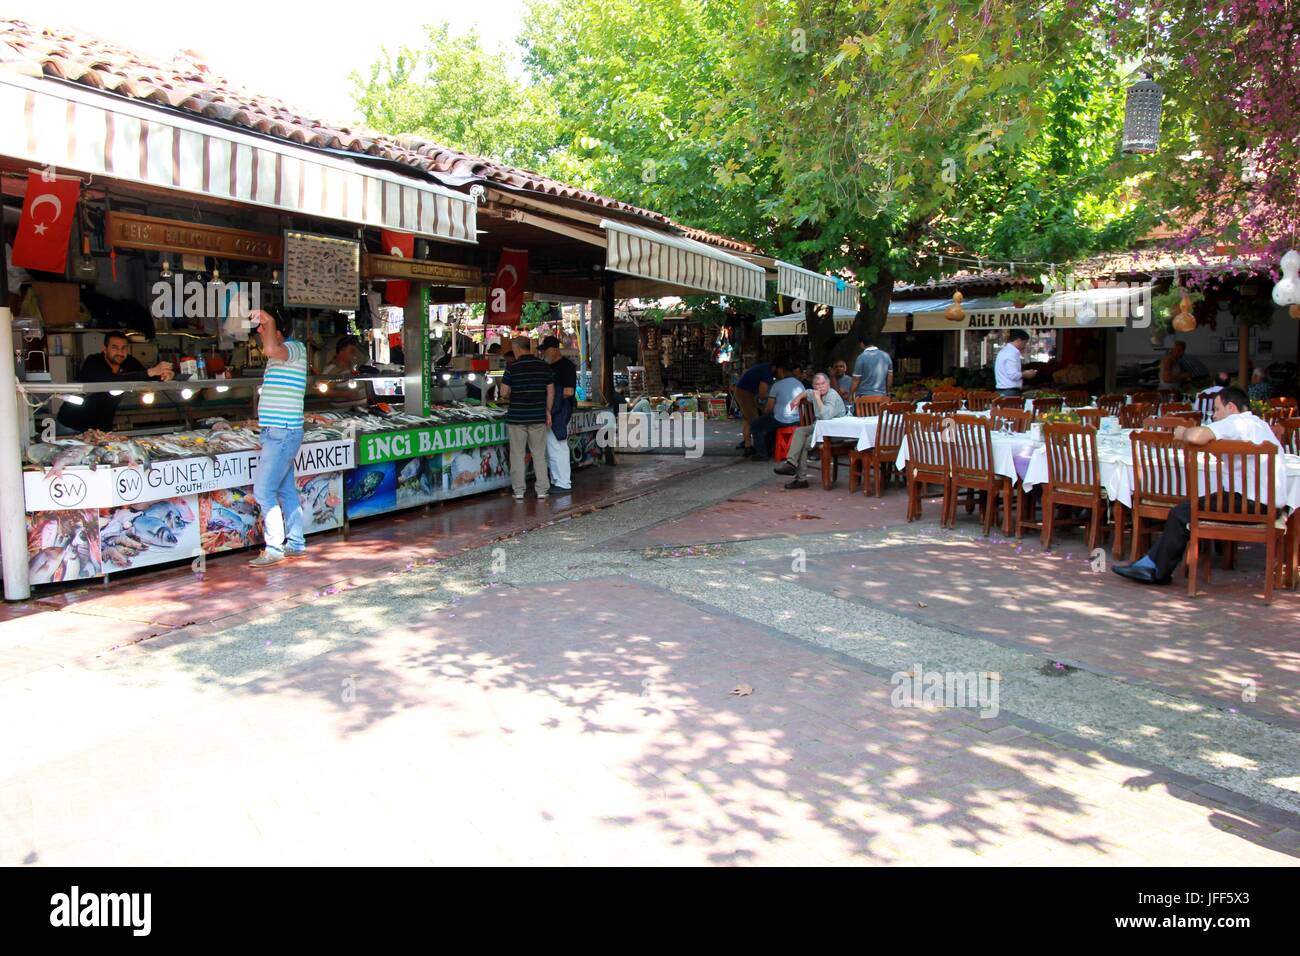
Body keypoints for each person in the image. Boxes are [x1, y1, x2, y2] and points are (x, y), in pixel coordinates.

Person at [1113, 387, 1285, 586]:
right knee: (1197, 505)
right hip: (1270, 506)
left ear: (1231, 407)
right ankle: (1152, 563)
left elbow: (1197, 436)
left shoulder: (1237, 421)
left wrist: (1183, 432)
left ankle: (1155, 569)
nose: (1213, 414)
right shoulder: (1259, 425)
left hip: (1250, 504)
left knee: (1180, 513)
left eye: (1217, 409)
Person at [248, 307, 308, 568]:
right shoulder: (280, 355)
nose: (259, 332)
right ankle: (295, 543)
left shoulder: (294, 348)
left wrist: (268, 318)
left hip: (282, 433)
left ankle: (274, 547)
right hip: (278, 431)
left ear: (278, 329)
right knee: (285, 489)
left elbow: (271, 348)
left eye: (264, 327)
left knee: (263, 491)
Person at [55, 330, 174, 433]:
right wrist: (151, 371)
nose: (120, 352)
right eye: (114, 347)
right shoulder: (93, 362)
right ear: (104, 349)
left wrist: (166, 374)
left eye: (123, 348)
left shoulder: (129, 362)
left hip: (102, 428)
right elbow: (110, 381)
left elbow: (147, 377)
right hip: (71, 425)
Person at [500, 335, 554, 500]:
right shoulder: (543, 366)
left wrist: (511, 395)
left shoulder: (512, 367)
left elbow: (503, 393)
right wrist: (547, 411)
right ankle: (542, 490)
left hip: (517, 417)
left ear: (517, 348)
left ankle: (518, 491)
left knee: (517, 454)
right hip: (537, 416)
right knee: (539, 454)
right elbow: (551, 391)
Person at [773, 372, 847, 488]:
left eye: (823, 383)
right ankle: (791, 463)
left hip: (833, 431)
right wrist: (797, 398)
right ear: (814, 386)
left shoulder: (832, 395)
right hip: (818, 426)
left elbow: (825, 416)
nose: (821, 387)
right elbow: (807, 392)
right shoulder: (814, 392)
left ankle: (801, 479)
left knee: (804, 443)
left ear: (828, 384)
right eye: (817, 385)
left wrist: (817, 398)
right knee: (799, 431)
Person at [540, 335, 577, 493]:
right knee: (551, 447)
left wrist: (553, 400)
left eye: (545, 350)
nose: (543, 354)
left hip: (560, 411)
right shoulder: (548, 367)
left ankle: (563, 482)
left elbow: (569, 392)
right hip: (551, 410)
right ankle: (556, 480)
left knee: (558, 445)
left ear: (553, 349)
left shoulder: (566, 366)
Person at [749, 361, 804, 461]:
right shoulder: (800, 384)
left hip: (782, 420)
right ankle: (774, 448)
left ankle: (762, 453)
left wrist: (763, 415)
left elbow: (769, 408)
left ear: (780, 370)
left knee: (756, 425)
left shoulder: (777, 385)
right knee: (769, 425)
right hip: (798, 420)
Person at [734, 359, 775, 455]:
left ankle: (747, 444)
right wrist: (775, 395)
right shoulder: (767, 373)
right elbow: (762, 394)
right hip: (745, 392)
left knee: (747, 419)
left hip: (745, 391)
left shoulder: (765, 368)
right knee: (754, 421)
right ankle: (751, 447)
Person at [994, 329, 1037, 397]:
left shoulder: (1004, 351)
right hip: (1010, 392)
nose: (1024, 346)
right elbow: (1013, 375)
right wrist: (1026, 374)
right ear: (1019, 341)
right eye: (1024, 343)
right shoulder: (1011, 353)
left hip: (1003, 391)